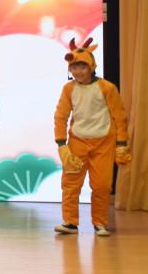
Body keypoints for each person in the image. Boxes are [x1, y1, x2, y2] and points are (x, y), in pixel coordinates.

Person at [53, 37, 130, 237]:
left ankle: (100, 222)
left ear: (91, 66)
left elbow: (120, 117)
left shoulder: (107, 88)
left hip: (103, 143)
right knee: (70, 184)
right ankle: (70, 222)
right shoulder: (68, 89)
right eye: (73, 68)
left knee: (102, 185)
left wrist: (122, 144)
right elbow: (61, 116)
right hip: (77, 142)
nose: (78, 71)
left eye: (82, 66)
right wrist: (61, 144)